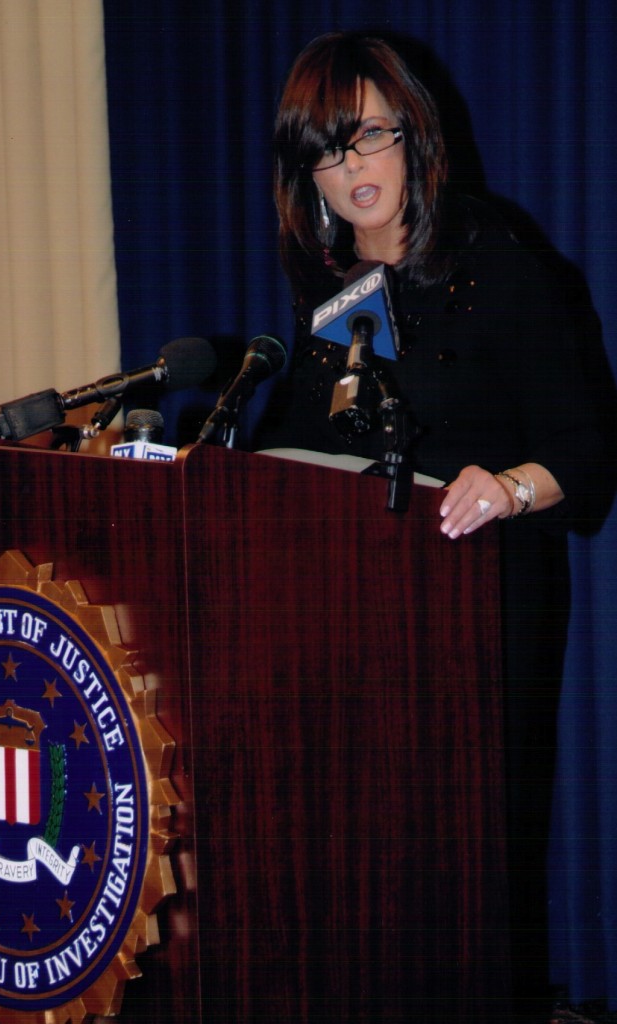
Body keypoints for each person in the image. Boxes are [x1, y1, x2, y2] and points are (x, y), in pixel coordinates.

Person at [254, 30, 603, 1018]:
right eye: (324, 149)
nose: (350, 168)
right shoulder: (330, 292)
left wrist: (506, 486)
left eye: (366, 137)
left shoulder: (500, 260)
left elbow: (586, 450)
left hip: (485, 608)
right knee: (372, 855)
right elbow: (297, 442)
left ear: (414, 135)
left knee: (479, 858)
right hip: (364, 622)